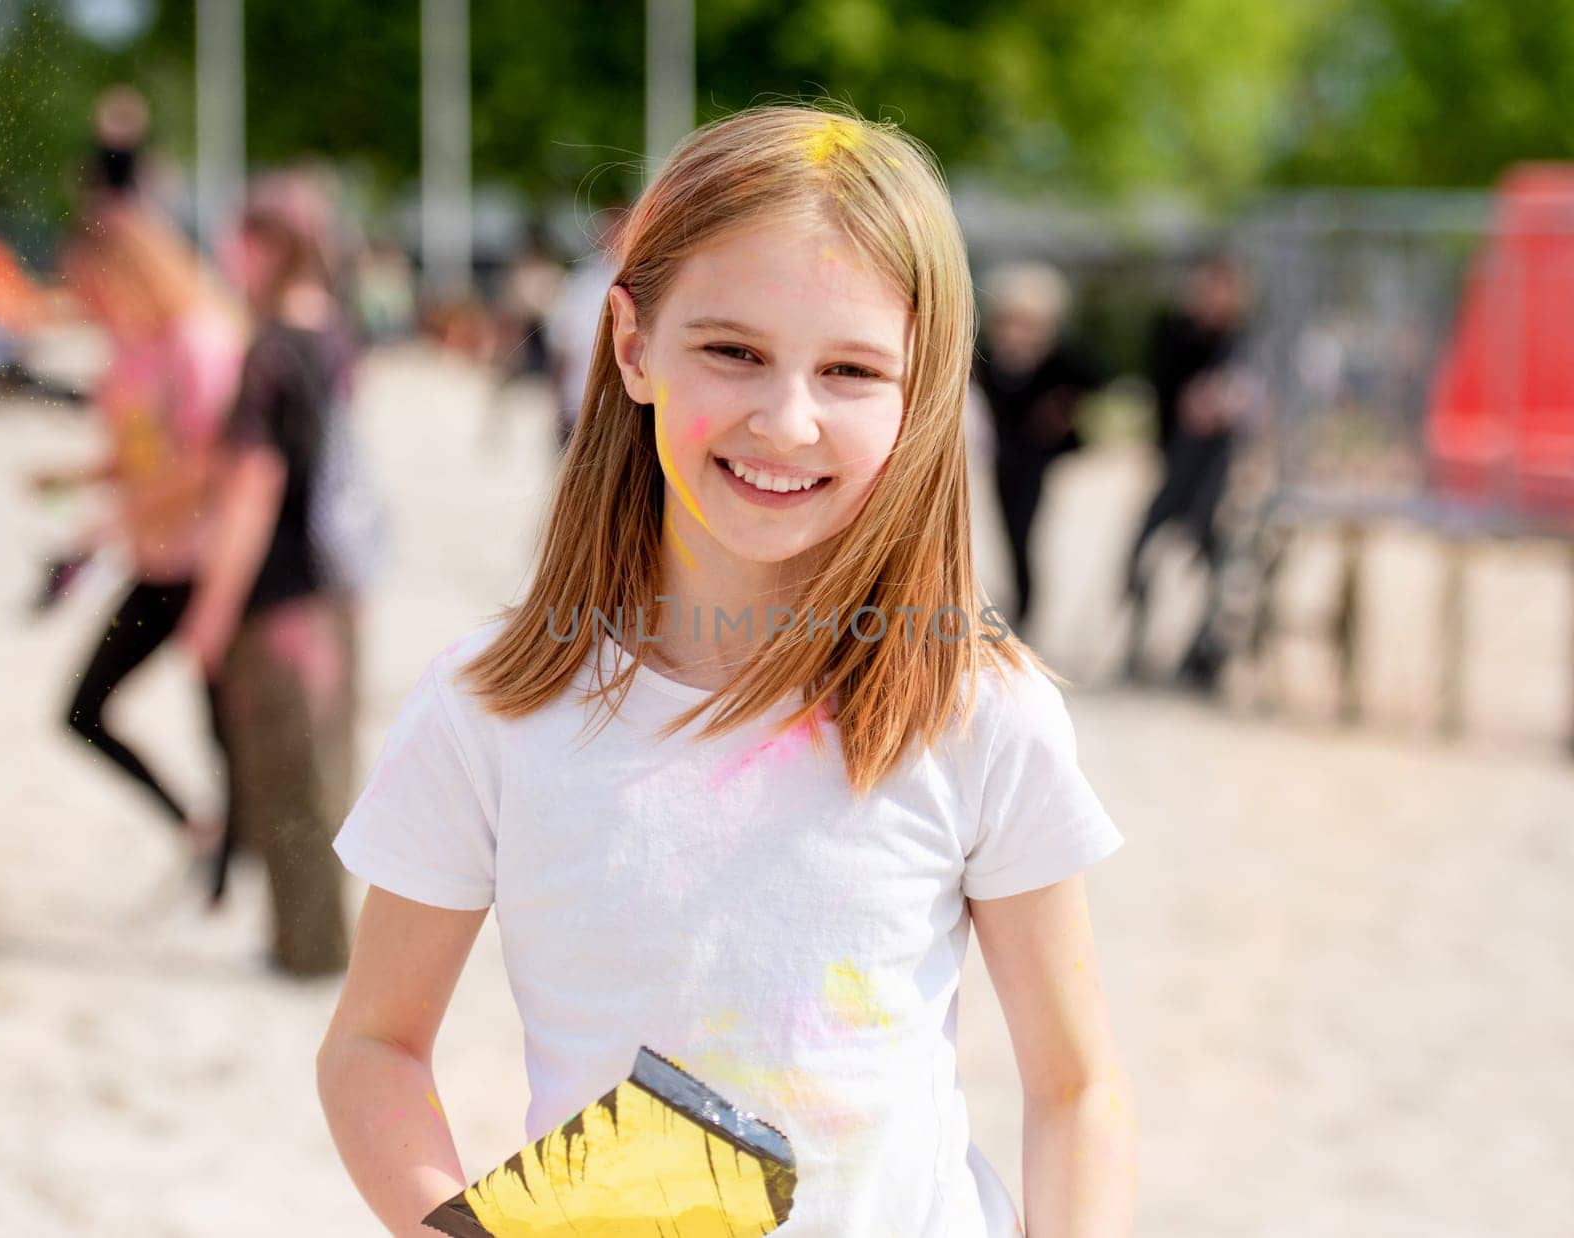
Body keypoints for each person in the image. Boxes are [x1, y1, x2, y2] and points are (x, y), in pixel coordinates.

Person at [317, 105, 1136, 1237]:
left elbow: (1075, 1086)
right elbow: (374, 1041)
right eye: (733, 350)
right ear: (631, 345)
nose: (785, 419)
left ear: (922, 389)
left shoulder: (977, 712)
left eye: (850, 369)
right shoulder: (490, 709)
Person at [178, 188, 363, 974]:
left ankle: (308, 950)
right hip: (336, 584)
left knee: (287, 777)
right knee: (324, 771)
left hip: (280, 590)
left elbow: (254, 487)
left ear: (268, 245)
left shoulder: (271, 348)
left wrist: (212, 611)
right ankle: (315, 943)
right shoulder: (334, 331)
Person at [36, 204, 245, 859]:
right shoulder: (128, 350)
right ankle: (195, 829)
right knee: (84, 712)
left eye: (92, 285)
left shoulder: (200, 339)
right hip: (152, 561)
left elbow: (211, 461)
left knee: (225, 731)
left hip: (208, 562)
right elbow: (140, 458)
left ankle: (231, 861)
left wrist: (120, 515)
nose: (87, 302)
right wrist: (73, 480)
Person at [1122, 252, 1251, 689]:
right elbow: (1172, 400)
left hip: (1217, 474)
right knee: (1143, 553)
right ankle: (1136, 643)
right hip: (1176, 464)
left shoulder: (1242, 342)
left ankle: (1203, 655)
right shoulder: (1175, 336)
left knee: (1219, 565)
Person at [972, 261, 1108, 635]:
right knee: (1003, 536)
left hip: (1035, 462)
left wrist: (1064, 407)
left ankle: (1025, 610)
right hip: (1003, 460)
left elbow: (1094, 379)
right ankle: (1015, 602)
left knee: (1024, 534)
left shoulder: (1057, 361)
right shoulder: (987, 358)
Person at [543, 202, 625, 452]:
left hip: (623, 407)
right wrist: (557, 399)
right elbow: (563, 344)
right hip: (580, 400)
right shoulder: (583, 281)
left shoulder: (642, 278)